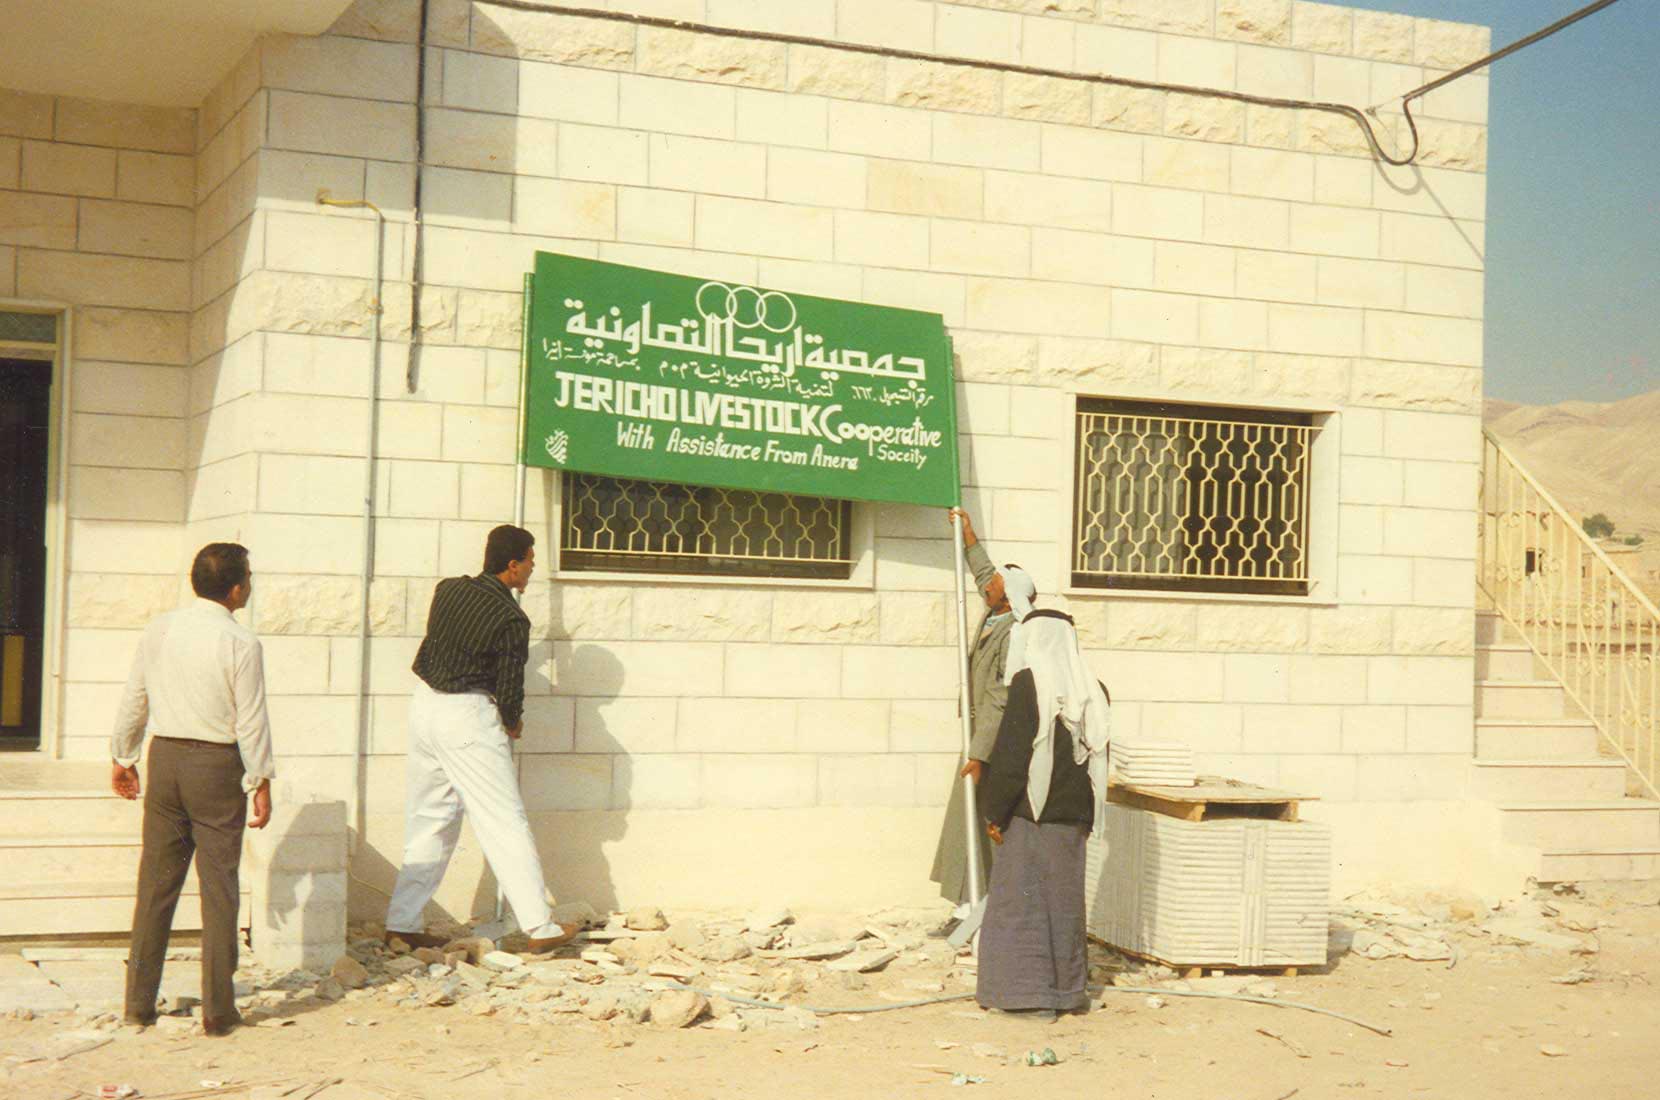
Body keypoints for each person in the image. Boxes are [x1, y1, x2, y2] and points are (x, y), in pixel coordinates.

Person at [384, 524, 576, 953]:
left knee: (430, 817)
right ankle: (539, 927)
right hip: (467, 715)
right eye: (529, 561)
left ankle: (401, 921)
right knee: (504, 820)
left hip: (426, 706)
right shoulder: (511, 617)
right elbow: (510, 687)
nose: (532, 569)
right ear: (512, 565)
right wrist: (512, 721)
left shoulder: (448, 589)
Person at [111, 542, 275, 1036]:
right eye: (248, 576)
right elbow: (251, 720)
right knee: (219, 888)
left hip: (165, 760)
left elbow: (135, 695)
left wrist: (124, 755)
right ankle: (219, 1012)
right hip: (216, 766)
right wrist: (261, 778)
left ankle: (138, 1005)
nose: (250, 584)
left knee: (156, 885)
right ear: (235, 587)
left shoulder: (160, 628)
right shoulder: (241, 642)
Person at [976, 609, 1111, 1020]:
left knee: (1022, 905)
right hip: (1073, 820)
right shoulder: (1094, 688)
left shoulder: (1028, 684)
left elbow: (1013, 758)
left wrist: (993, 811)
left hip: (1030, 817)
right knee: (1064, 904)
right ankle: (1067, 994)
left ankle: (1026, 998)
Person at [929, 507, 1037, 914]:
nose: (985, 585)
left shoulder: (1012, 633)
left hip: (989, 740)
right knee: (965, 820)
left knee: (980, 818)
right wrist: (969, 536)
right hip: (977, 736)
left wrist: (978, 754)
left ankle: (979, 901)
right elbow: (983, 572)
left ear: (1007, 594)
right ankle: (966, 900)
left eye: (993, 583)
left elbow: (998, 697)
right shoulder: (996, 613)